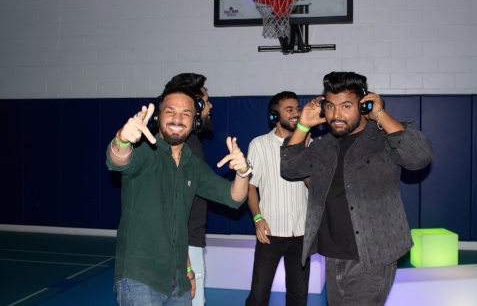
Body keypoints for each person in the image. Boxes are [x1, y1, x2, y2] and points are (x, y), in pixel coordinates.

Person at [280, 72, 434, 305]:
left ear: (364, 106)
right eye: (330, 106)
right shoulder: (326, 146)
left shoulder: (383, 139)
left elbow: (420, 156)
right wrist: (302, 124)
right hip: (334, 255)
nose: (336, 114)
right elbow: (290, 167)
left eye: (346, 106)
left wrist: (380, 114)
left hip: (372, 255)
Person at [106, 86, 252, 305]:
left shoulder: (193, 165)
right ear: (158, 117)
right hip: (140, 277)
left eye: (186, 114)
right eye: (170, 111)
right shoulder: (145, 153)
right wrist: (123, 139)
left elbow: (234, 197)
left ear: (194, 121)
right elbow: (118, 160)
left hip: (179, 280)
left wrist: (243, 172)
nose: (177, 118)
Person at [245, 92, 310, 306]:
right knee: (258, 296)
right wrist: (257, 219)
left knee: (298, 297)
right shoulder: (259, 144)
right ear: (274, 115)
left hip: (301, 233)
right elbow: (250, 187)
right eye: (289, 109)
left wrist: (305, 151)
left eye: (297, 109)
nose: (295, 113)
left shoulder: (309, 144)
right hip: (270, 233)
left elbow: (316, 186)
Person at [164, 73, 213, 306]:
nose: (210, 105)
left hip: (184, 241)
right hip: (185, 243)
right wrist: (188, 267)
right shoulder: (186, 146)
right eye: (206, 100)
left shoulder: (189, 143)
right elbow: (173, 206)